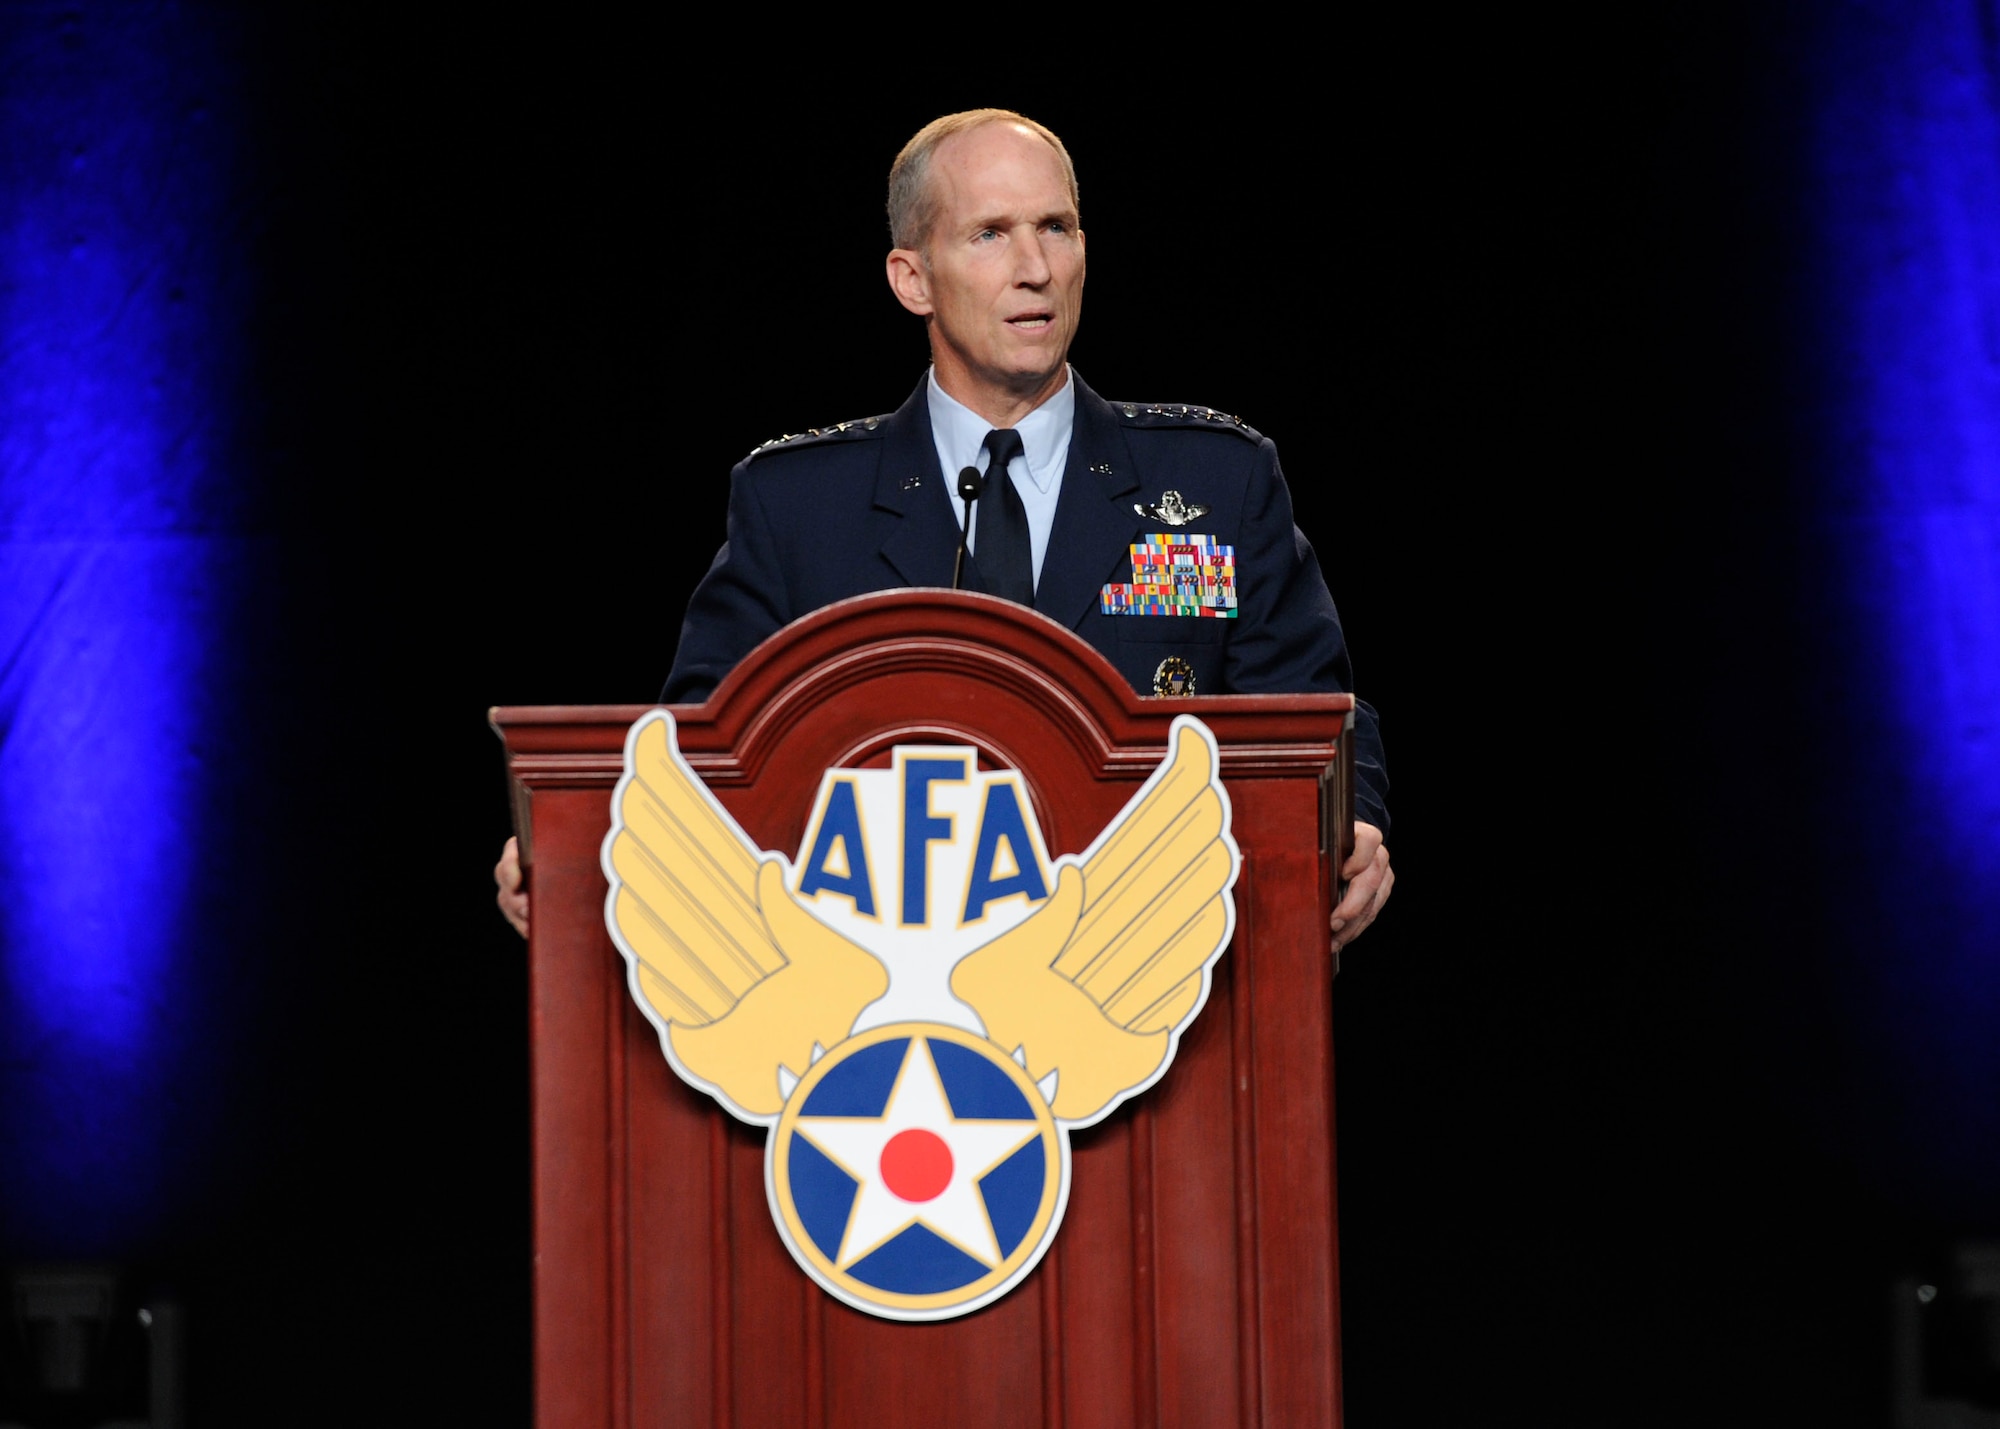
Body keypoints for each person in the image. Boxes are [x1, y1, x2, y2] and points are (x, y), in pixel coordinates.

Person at [496, 109, 1392, 950]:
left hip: (1150, 968)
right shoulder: (798, 506)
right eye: (990, 234)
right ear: (911, 278)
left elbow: (1315, 718)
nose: (1035, 267)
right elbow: (698, 758)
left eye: (1057, 227)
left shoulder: (1215, 478)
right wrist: (586, 853)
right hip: (882, 1001)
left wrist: (1355, 817)